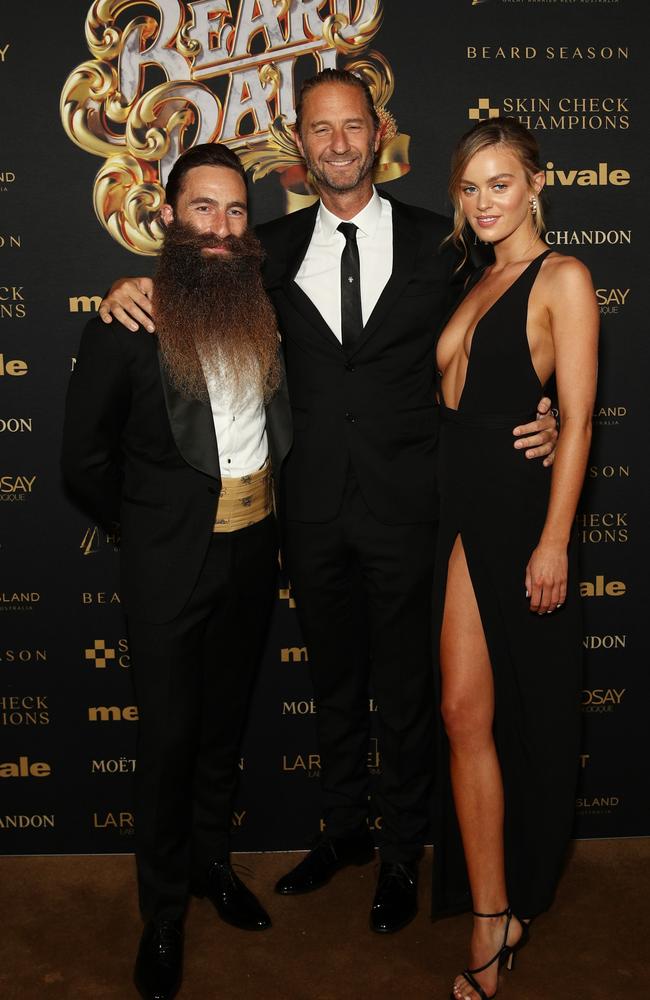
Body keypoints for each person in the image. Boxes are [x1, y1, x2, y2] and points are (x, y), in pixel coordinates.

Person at [98, 70, 558, 935]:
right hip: (304, 510)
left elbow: (510, 325)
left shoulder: (443, 243)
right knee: (336, 685)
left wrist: (553, 411)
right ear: (298, 144)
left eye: (353, 126)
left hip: (411, 504)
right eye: (321, 129)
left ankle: (399, 856)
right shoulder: (259, 249)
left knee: (408, 691)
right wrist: (130, 288)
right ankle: (343, 831)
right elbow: (192, 279)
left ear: (378, 132)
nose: (339, 143)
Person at [62, 143, 292, 1000]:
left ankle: (210, 866)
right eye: (204, 209)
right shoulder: (124, 325)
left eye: (236, 212)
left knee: (223, 729)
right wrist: (146, 529)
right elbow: (81, 463)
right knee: (165, 742)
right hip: (166, 566)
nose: (222, 229)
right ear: (168, 216)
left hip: (252, 552)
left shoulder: (264, 310)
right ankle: (162, 914)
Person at [432, 117, 598, 1000]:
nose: (485, 201)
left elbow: (577, 420)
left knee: (528, 724)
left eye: (501, 183)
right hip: (458, 513)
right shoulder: (476, 277)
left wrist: (553, 541)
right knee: (463, 715)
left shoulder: (561, 277)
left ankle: (506, 913)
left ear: (538, 183)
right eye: (470, 187)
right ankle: (490, 906)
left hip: (519, 516)